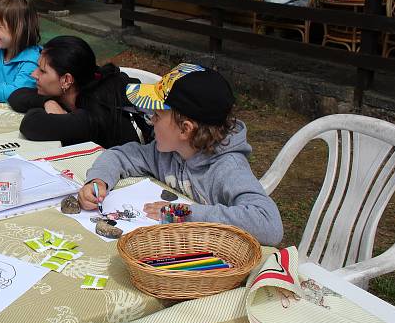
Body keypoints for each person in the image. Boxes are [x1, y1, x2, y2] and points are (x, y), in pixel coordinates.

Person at [77, 63, 283, 246]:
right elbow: (120, 156)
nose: (151, 121)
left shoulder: (228, 168)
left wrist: (182, 213)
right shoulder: (168, 152)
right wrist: (99, 180)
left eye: (157, 115)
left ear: (185, 130)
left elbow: (269, 224)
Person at [8, 36, 153, 148]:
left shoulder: (92, 114)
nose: (34, 74)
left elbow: (31, 125)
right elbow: (17, 95)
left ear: (66, 80)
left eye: (42, 70)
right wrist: (48, 101)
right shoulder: (77, 89)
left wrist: (48, 105)